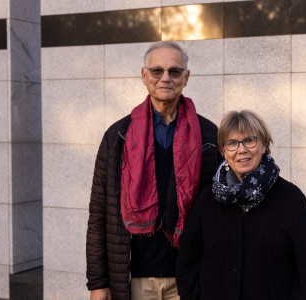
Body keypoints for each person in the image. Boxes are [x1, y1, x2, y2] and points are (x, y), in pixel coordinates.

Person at [86, 41, 221, 300]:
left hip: (191, 279)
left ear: (186, 77)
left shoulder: (208, 136)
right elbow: (98, 215)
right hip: (134, 281)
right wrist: (98, 283)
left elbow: (222, 212)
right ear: (144, 76)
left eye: (175, 71)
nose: (165, 78)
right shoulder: (117, 137)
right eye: (157, 71)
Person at [176, 110, 306, 299]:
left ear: (263, 145)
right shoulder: (207, 200)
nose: (241, 150)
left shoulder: (291, 200)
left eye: (249, 140)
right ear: (224, 151)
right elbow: (187, 261)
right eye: (232, 143)